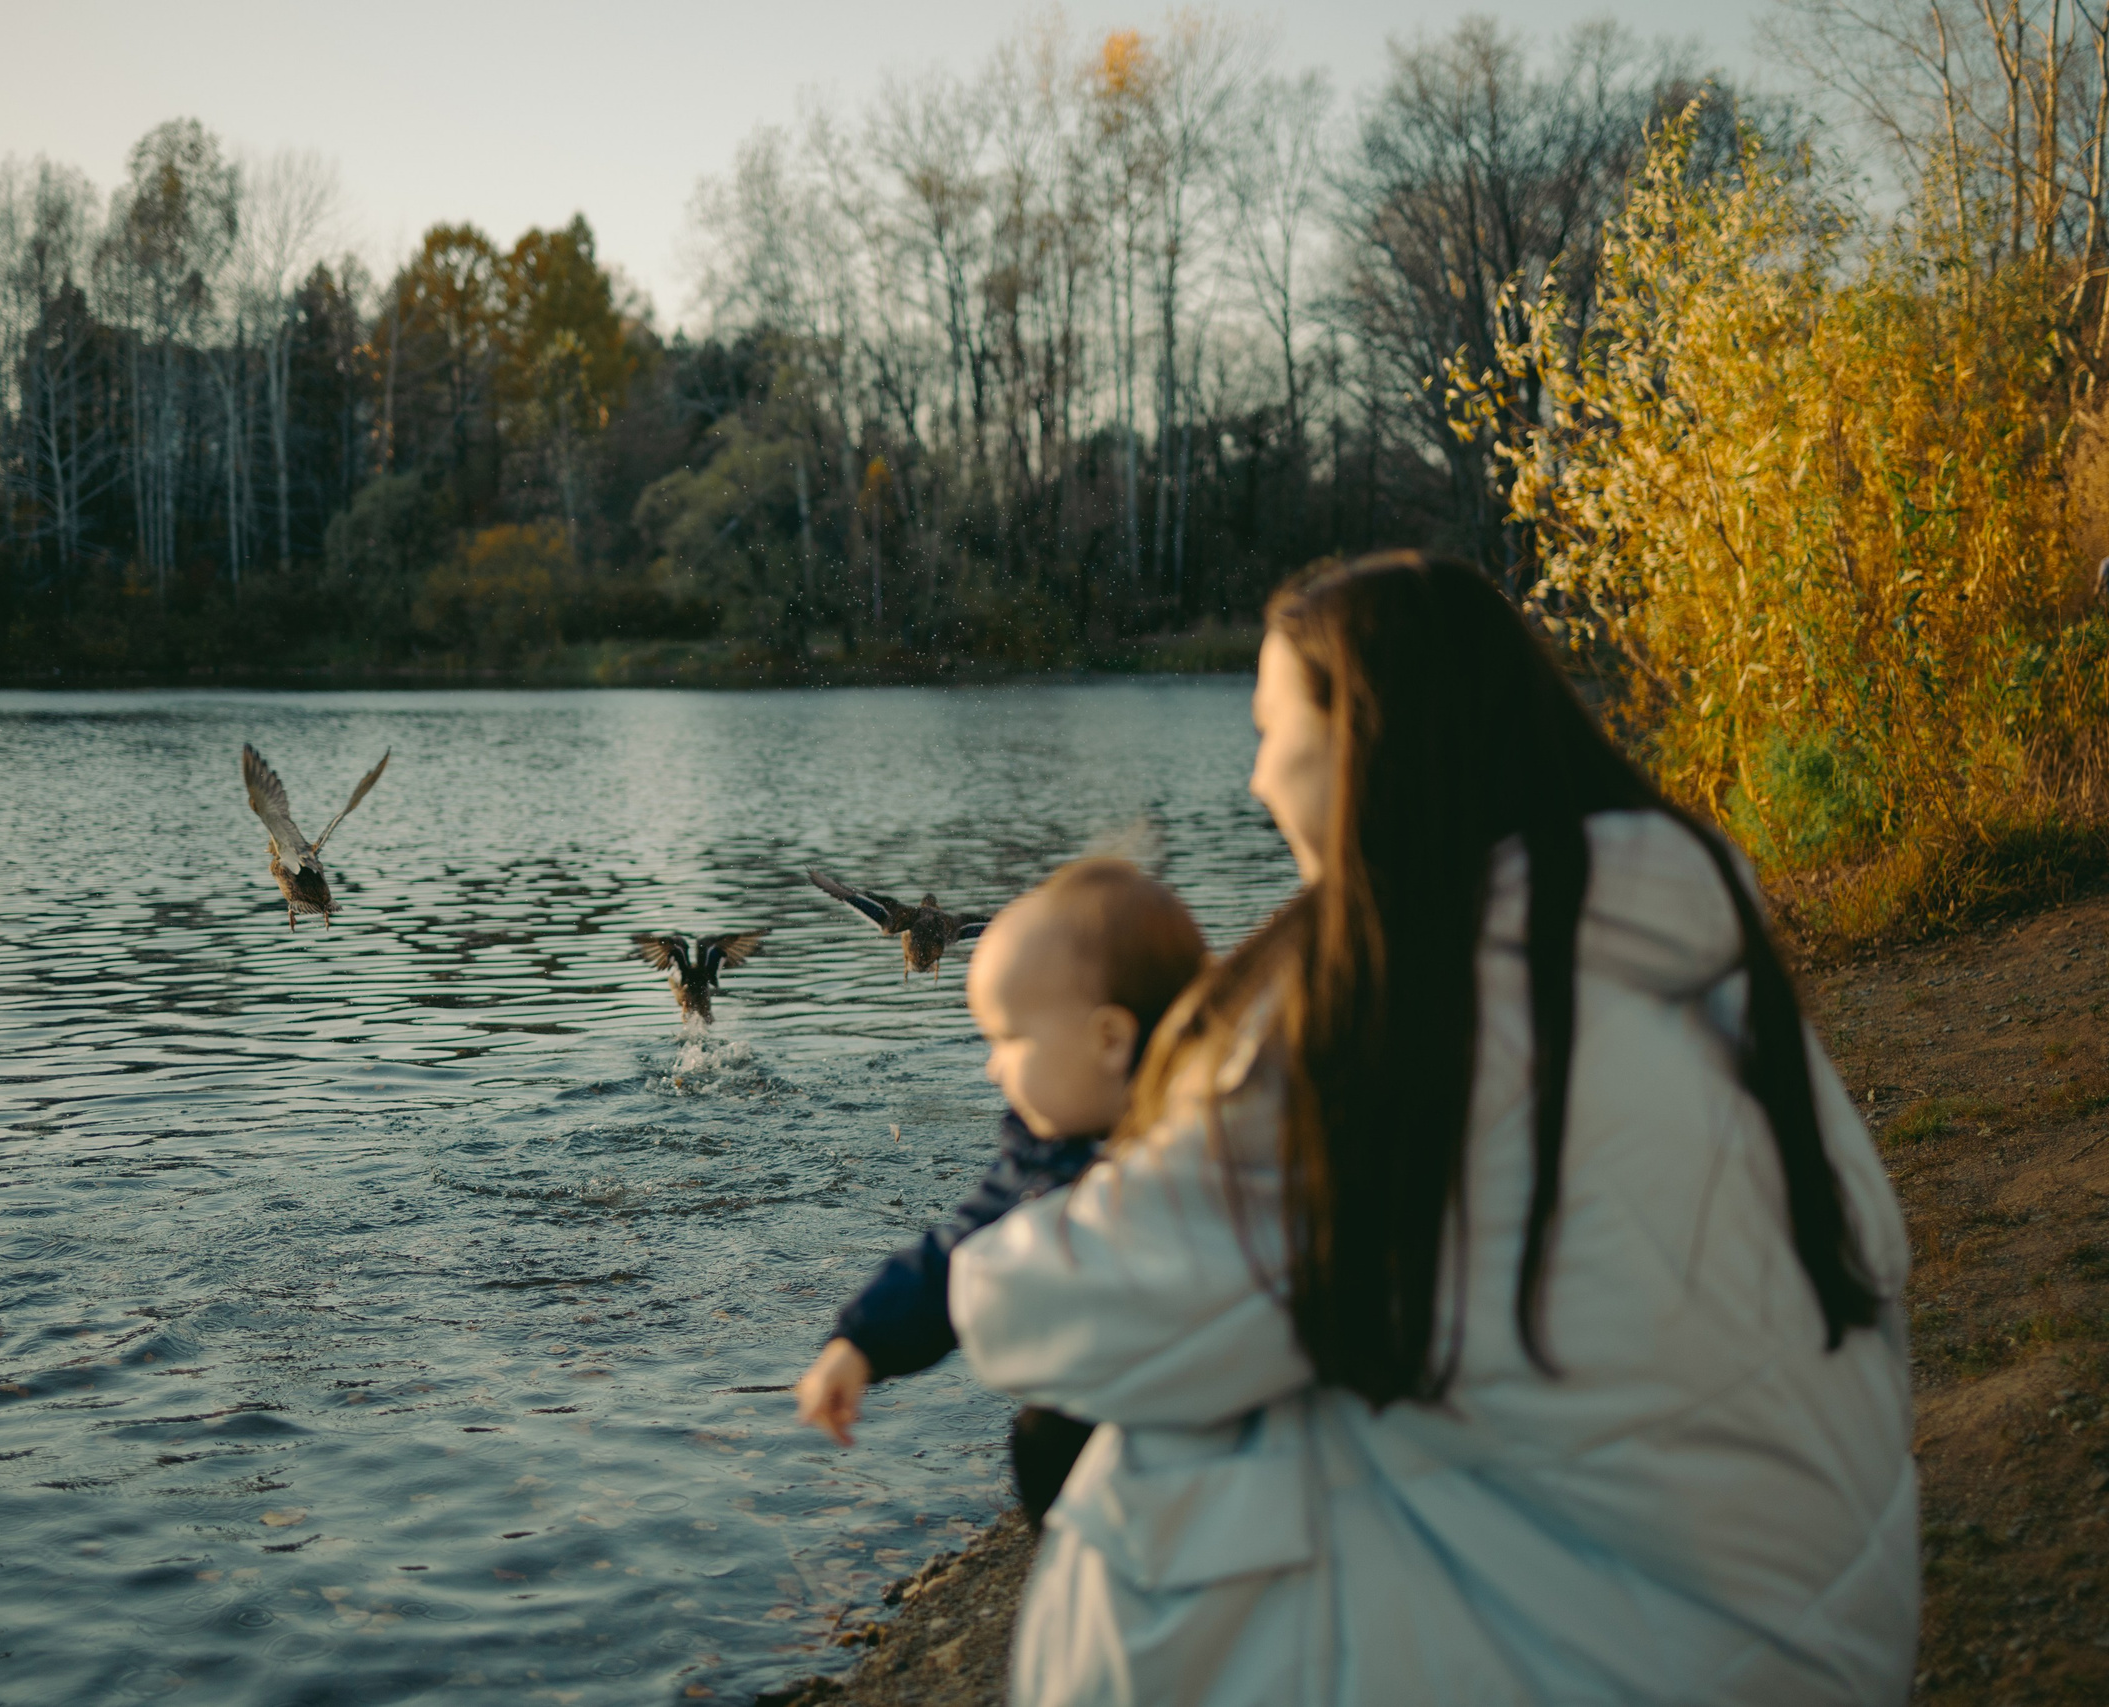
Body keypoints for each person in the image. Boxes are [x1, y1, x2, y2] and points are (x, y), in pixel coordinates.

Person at [950, 553, 1918, 1706]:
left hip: (1647, 1662)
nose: (1257, 783)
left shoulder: (1422, 1016)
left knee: (1135, 1448)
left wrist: (1031, 1192)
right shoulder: (1671, 947)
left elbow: (1046, 1311)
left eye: (1268, 732)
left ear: (1356, 740)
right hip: (1820, 1625)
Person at [794, 858, 1207, 1522]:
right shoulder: (1038, 1160)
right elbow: (947, 1260)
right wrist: (860, 1343)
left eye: (1009, 1041)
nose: (992, 1066)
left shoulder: (1220, 1149)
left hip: (1217, 1429)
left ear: (1109, 1037)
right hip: (1106, 1432)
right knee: (1043, 1443)